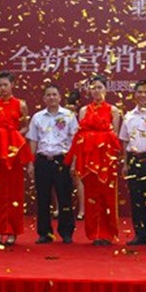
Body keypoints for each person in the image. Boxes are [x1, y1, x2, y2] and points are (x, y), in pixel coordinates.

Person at [0, 71, 34, 247]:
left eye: (5, 85)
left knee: (14, 192)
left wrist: (12, 135)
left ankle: (12, 231)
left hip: (13, 154)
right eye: (0, 85)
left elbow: (25, 128)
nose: (2, 88)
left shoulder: (21, 105)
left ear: (12, 85)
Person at [66, 75, 122, 246]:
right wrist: (75, 161)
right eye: (93, 88)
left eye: (99, 87)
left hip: (106, 159)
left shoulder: (113, 110)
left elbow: (115, 137)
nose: (96, 91)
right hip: (89, 159)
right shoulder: (84, 111)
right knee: (91, 195)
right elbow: (79, 137)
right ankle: (95, 233)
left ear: (106, 89)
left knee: (107, 195)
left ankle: (108, 233)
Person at [26, 84, 78, 244]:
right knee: (43, 198)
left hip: (62, 160)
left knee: (64, 197)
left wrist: (74, 163)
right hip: (42, 160)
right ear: (44, 98)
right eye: (48, 95)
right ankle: (44, 233)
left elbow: (75, 140)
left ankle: (66, 232)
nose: (52, 97)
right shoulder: (37, 117)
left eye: (54, 94)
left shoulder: (69, 116)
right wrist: (31, 163)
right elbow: (33, 141)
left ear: (60, 97)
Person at [119, 80, 146, 247]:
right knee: (136, 198)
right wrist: (125, 163)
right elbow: (124, 141)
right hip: (133, 159)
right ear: (135, 94)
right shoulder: (129, 116)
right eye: (140, 92)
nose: (143, 95)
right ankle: (140, 234)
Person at [65, 90, 85, 221]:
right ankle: (59, 208)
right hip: (63, 149)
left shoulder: (81, 114)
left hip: (76, 148)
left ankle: (82, 209)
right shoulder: (64, 114)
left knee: (78, 179)